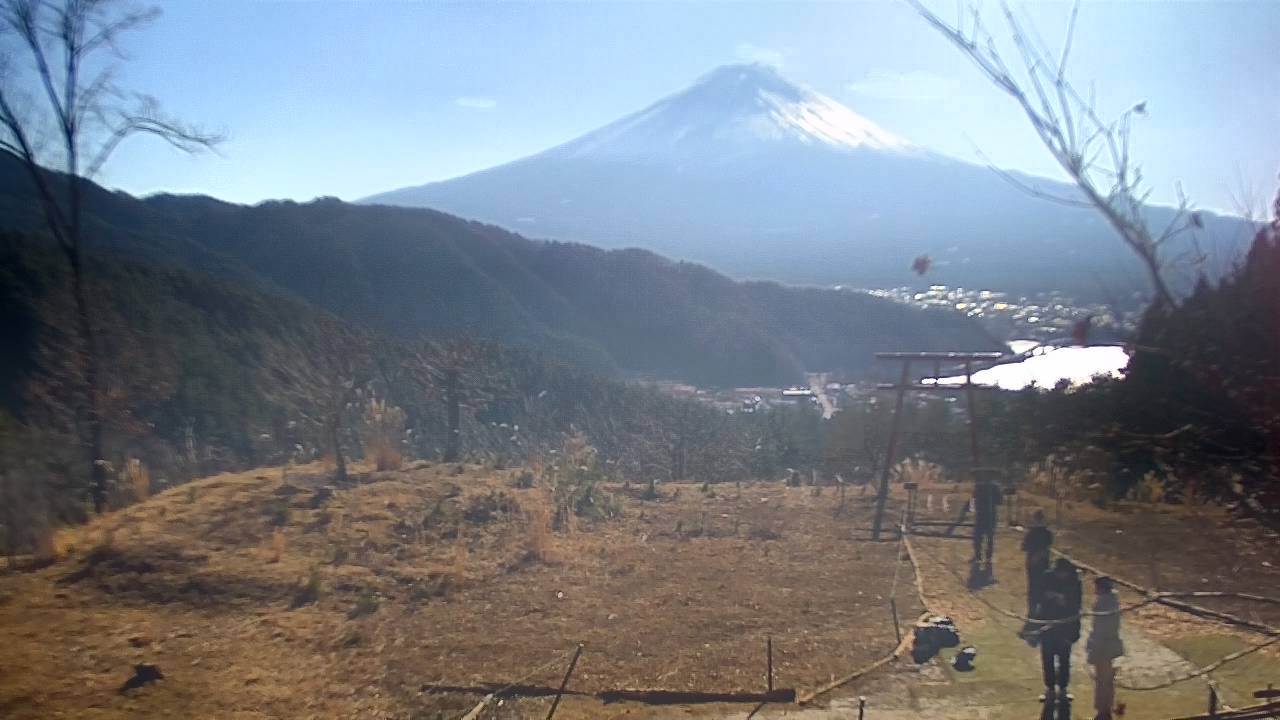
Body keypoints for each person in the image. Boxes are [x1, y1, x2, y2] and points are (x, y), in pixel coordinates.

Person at [1038, 558, 1082, 703]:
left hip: (1066, 626)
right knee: (1048, 657)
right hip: (1048, 624)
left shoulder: (1074, 582)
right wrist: (1050, 597)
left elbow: (1076, 605)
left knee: (1064, 658)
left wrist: (1065, 601)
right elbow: (1039, 596)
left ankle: (1063, 688)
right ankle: (1050, 688)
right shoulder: (1047, 577)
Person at [1087, 576, 1125, 720]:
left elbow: (1101, 629)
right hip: (1108, 645)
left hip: (1103, 647)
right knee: (1106, 680)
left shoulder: (1104, 604)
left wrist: (1093, 645)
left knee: (1103, 680)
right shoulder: (1111, 601)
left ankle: (1104, 709)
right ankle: (1105, 708)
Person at [1022, 510, 1053, 615]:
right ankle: (1041, 607)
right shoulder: (1047, 533)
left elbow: (1024, 547)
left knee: (1033, 586)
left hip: (1032, 563)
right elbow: (1048, 545)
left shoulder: (1031, 533)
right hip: (1044, 562)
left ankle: (1033, 608)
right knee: (1043, 584)